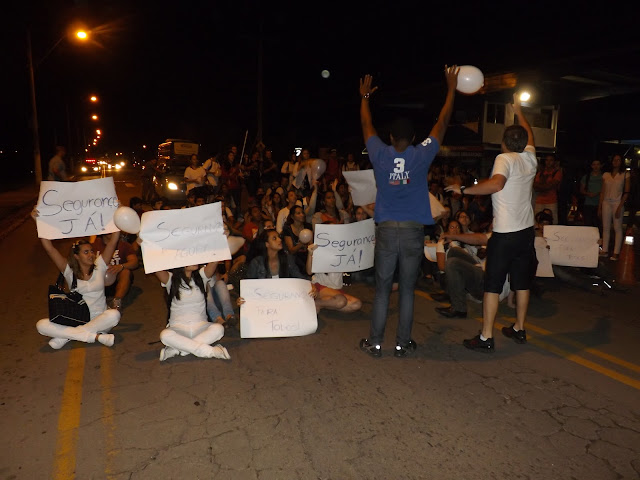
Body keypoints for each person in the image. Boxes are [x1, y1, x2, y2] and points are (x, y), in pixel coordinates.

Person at [358, 66, 459, 358]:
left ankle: (375, 343)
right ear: (414, 137)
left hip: (387, 229)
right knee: (406, 290)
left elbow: (366, 125)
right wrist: (451, 89)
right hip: (414, 230)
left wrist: (365, 98)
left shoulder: (378, 152)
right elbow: (442, 122)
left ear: (390, 137)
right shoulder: (420, 154)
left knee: (382, 289)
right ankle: (403, 343)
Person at [446, 94, 537, 352]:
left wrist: (463, 189)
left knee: (492, 286)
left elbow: (496, 184)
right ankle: (519, 328)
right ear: (524, 143)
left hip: (505, 234)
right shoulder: (531, 158)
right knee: (521, 283)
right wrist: (519, 111)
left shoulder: (504, 159)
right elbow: (529, 135)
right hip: (526, 233)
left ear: (504, 143)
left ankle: (486, 337)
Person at [34, 209, 121, 349]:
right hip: (77, 318)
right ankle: (95, 336)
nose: (91, 255)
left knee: (114, 315)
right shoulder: (69, 272)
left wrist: (117, 213)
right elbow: (50, 249)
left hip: (101, 320)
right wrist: (38, 222)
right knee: (41, 325)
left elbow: (113, 242)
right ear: (76, 256)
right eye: (86, 252)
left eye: (91, 251)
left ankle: (67, 336)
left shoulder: (99, 266)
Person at [154, 261, 231, 361]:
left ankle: (180, 349)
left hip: (201, 326)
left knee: (219, 328)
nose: (195, 261)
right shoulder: (171, 279)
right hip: (178, 327)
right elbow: (154, 265)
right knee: (164, 335)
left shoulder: (201, 276)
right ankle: (211, 351)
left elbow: (214, 261)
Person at [91, 232, 139, 310]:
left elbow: (134, 262)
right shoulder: (94, 246)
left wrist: (121, 266)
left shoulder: (124, 245)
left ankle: (116, 301)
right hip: (98, 281)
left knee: (126, 272)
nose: (111, 232)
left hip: (116, 281)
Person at [599, 154, 630, 260]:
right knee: (606, 227)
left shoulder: (625, 174)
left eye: (618, 160)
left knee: (617, 227)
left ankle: (616, 252)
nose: (616, 162)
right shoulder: (606, 174)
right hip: (606, 202)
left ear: (621, 162)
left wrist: (620, 206)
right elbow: (602, 192)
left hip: (617, 202)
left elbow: (626, 191)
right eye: (614, 160)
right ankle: (605, 250)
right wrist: (600, 206)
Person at [533, 154, 562, 223]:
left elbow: (551, 185)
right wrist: (545, 186)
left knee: (552, 221)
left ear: (554, 162)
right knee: (537, 221)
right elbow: (535, 186)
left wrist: (541, 186)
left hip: (551, 201)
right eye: (547, 160)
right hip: (539, 201)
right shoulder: (540, 173)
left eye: (551, 160)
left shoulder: (557, 173)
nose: (548, 162)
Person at [579, 159, 603, 228]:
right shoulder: (586, 177)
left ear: (600, 166)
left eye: (598, 164)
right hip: (588, 203)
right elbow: (581, 190)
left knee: (598, 225)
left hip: (600, 204)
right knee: (588, 224)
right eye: (594, 164)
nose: (596, 166)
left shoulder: (604, 177)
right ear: (591, 166)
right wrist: (588, 193)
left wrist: (598, 193)